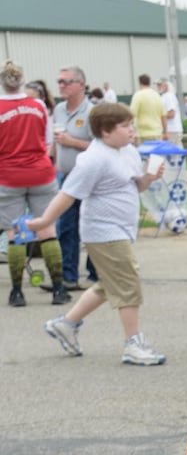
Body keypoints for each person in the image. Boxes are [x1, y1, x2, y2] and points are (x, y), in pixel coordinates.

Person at [30, 101, 166, 362]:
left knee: (109, 284)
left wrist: (149, 178)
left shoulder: (128, 151)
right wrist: (45, 220)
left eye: (131, 125)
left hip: (121, 230)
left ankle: (66, 324)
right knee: (128, 284)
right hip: (103, 232)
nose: (131, 131)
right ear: (105, 131)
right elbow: (68, 194)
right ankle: (133, 344)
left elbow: (135, 185)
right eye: (125, 126)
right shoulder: (93, 159)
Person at [1, 60, 67, 306]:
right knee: (47, 230)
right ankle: (59, 289)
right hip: (41, 172)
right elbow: (48, 141)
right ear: (21, 80)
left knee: (15, 232)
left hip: (9, 175)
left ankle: (17, 292)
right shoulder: (38, 105)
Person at [51, 65, 94, 289]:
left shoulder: (92, 112)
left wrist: (73, 143)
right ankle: (68, 276)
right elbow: (54, 142)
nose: (61, 85)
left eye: (66, 81)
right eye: (59, 81)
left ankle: (96, 275)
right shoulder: (58, 110)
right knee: (66, 226)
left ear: (80, 85)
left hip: (88, 179)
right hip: (66, 177)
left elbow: (100, 148)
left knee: (90, 226)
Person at [130, 73, 164, 141]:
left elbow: (132, 114)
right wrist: (165, 132)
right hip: (157, 132)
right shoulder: (157, 95)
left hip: (143, 133)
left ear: (139, 83)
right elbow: (163, 115)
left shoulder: (138, 95)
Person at [156, 78, 183, 144]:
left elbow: (171, 114)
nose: (158, 87)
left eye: (160, 84)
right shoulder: (165, 96)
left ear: (166, 85)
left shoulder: (169, 96)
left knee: (173, 153)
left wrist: (157, 116)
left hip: (172, 130)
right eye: (157, 85)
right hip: (170, 130)